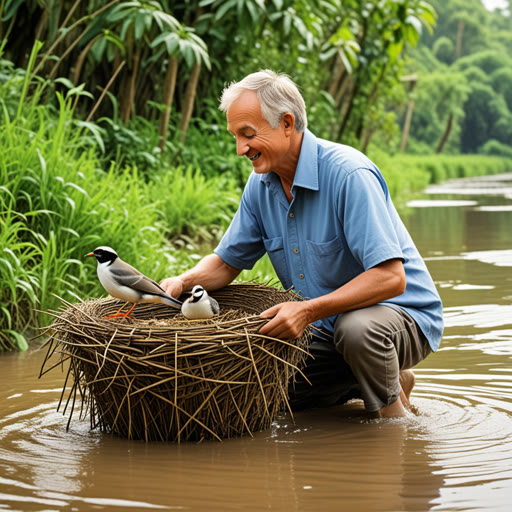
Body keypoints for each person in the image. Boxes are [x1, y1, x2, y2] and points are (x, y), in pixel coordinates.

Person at [160, 69, 443, 418]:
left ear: (287, 124)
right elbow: (225, 263)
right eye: (235, 136)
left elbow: (391, 278)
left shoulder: (349, 175)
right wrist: (184, 282)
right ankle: (389, 377)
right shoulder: (261, 185)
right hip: (324, 327)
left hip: (402, 317)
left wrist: (307, 310)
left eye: (248, 134)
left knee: (356, 330)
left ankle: (394, 421)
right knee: (265, 386)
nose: (239, 149)